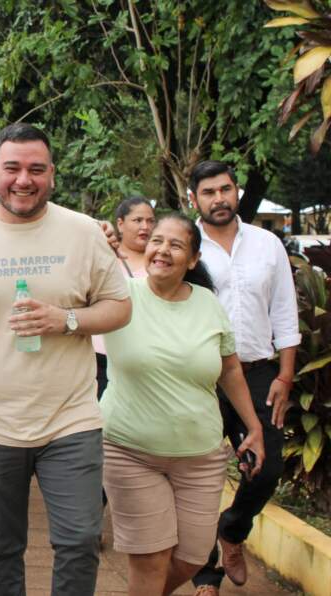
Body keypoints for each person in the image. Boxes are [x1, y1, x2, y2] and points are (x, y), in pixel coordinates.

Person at [0, 122, 132, 596]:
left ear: (52, 175)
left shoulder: (83, 233)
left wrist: (66, 320)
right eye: (13, 168)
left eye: (36, 169)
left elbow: (120, 306)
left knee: (81, 540)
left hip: (71, 419)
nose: (24, 180)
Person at [101, 213, 265, 596]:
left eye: (176, 245)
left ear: (192, 260)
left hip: (201, 454)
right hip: (130, 450)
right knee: (151, 557)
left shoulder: (208, 303)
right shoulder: (121, 295)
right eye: (157, 240)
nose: (163, 250)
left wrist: (253, 426)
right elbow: (74, 287)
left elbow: (230, 369)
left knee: (193, 558)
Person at [188, 161, 300, 595]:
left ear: (236, 192)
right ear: (193, 198)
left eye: (226, 189)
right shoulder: (186, 243)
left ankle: (232, 532)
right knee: (198, 476)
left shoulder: (267, 243)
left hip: (257, 373)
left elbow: (285, 312)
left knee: (267, 469)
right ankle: (204, 574)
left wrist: (285, 376)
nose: (219, 198)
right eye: (209, 192)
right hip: (199, 377)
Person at [93, 197, 155, 398]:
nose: (145, 226)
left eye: (150, 221)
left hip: (147, 358)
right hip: (102, 359)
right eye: (137, 220)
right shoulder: (102, 256)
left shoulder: (161, 261)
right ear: (120, 224)